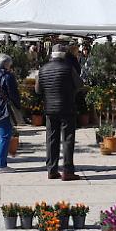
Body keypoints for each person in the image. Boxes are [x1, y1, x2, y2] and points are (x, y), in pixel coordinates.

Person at [36, 44, 82, 181]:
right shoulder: (69, 68)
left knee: (51, 139)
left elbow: (38, 90)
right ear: (64, 55)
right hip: (67, 107)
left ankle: (52, 169)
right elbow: (79, 84)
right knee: (68, 139)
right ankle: (67, 171)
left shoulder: (43, 69)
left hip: (50, 109)